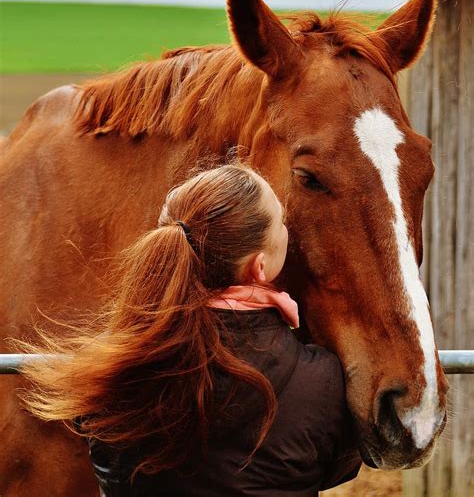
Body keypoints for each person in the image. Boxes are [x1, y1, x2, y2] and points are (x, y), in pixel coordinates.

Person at [19, 164, 361, 496]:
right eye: (282, 223)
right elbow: (336, 467)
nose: (287, 230)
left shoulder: (107, 371)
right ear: (259, 268)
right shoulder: (321, 382)